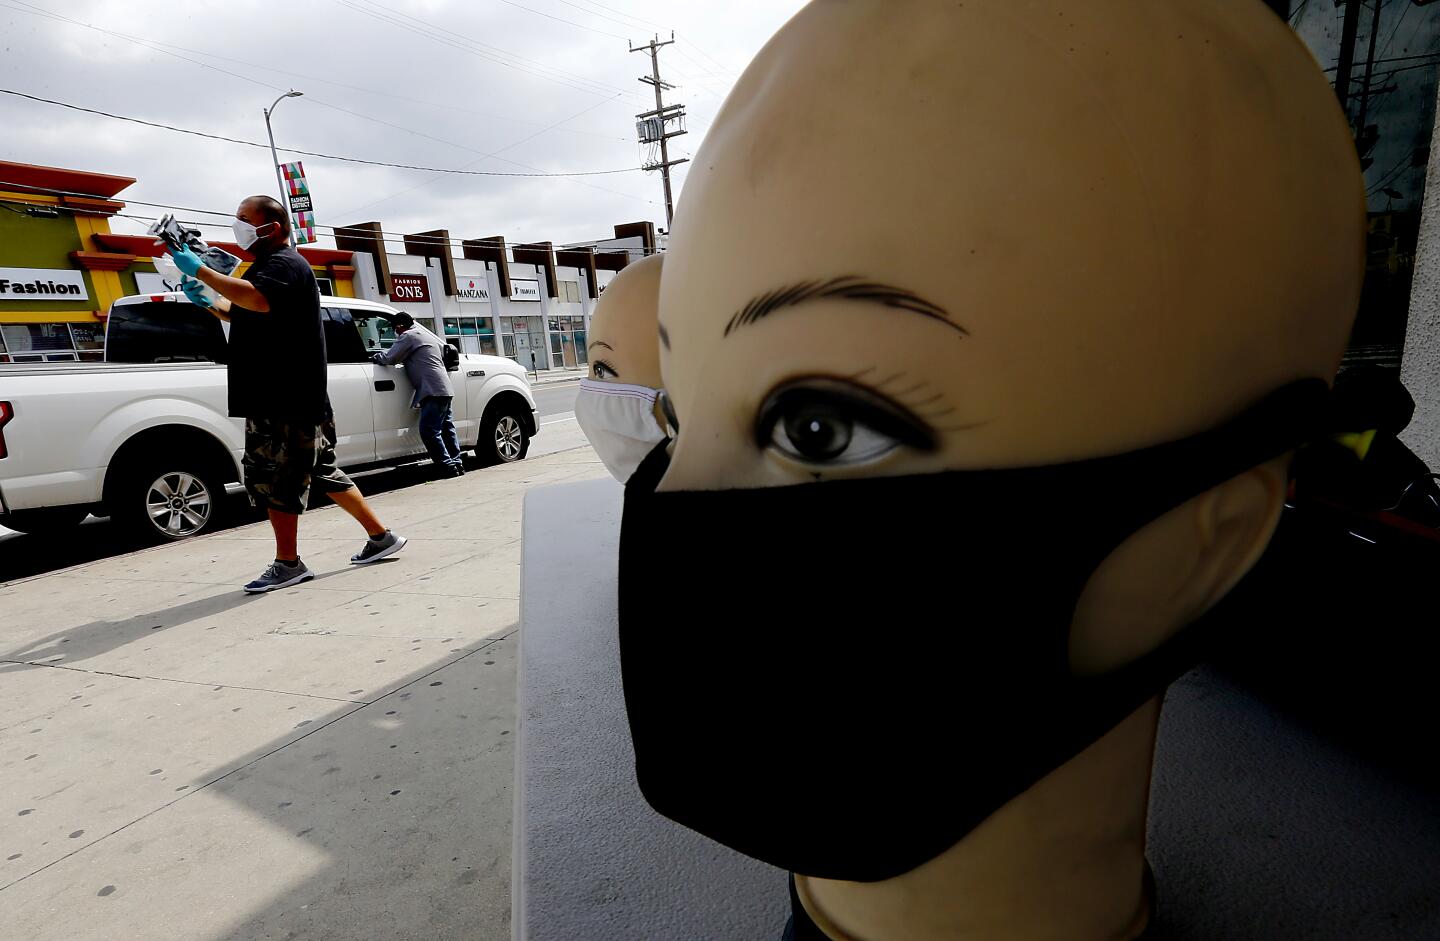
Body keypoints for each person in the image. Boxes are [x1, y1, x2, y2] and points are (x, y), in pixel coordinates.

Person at [171, 195, 406, 593]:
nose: (238, 225)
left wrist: (202, 272)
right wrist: (210, 303)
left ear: (272, 227)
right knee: (320, 470)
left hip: (285, 397)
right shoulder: (266, 267)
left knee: (276, 479)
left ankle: (288, 563)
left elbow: (257, 300)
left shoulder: (283, 264)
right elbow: (246, 309)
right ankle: (381, 537)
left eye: (245, 219)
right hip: (288, 396)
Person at [370, 313, 466, 478]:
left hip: (432, 390)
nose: (395, 332)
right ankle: (457, 463)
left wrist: (376, 356)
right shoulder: (424, 335)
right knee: (446, 428)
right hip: (443, 388)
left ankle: (446, 466)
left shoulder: (408, 336)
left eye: (394, 329)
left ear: (399, 327)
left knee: (429, 430)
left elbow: (389, 357)